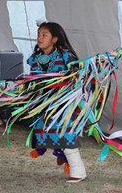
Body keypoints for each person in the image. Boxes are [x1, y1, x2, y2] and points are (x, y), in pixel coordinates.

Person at [27, 21, 87, 183]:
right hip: (43, 104)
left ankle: (78, 170)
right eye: (39, 35)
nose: (39, 38)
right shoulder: (36, 58)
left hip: (62, 105)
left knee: (64, 134)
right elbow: (33, 79)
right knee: (47, 134)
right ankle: (62, 156)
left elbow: (76, 77)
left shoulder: (66, 57)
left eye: (44, 35)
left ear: (54, 39)